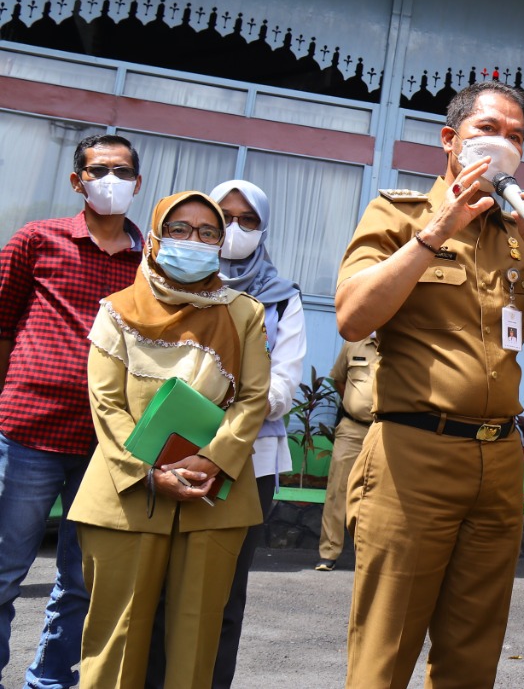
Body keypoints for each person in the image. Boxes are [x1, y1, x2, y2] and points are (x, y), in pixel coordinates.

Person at [335, 80, 524, 689]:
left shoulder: (518, 231)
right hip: (414, 454)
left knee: (473, 652)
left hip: (497, 459)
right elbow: (353, 316)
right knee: (385, 649)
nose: (504, 145)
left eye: (516, 136)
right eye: (487, 131)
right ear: (450, 140)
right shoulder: (401, 213)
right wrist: (436, 230)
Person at [68, 192, 269, 689]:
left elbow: (253, 399)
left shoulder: (244, 313)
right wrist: (148, 473)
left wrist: (210, 460)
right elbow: (106, 405)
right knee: (115, 639)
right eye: (179, 230)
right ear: (155, 237)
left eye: (207, 232)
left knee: (197, 643)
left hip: (212, 493)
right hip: (126, 492)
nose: (193, 241)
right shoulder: (115, 310)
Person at [142, 181, 306, 688]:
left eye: (248, 220)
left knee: (222, 594)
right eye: (223, 219)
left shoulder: (281, 300)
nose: (234, 230)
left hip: (246, 463)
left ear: (264, 229)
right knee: (153, 587)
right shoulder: (164, 285)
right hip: (164, 452)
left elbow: (283, 387)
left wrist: (217, 404)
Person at [0, 133, 144, 689]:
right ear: (76, 180)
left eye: (123, 171)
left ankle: (50, 682)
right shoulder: (37, 241)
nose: (112, 180)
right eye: (99, 170)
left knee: (81, 582)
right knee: (5, 572)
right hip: (27, 432)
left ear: (138, 181)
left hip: (106, 445)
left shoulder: (152, 260)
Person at [314, 334, 379, 572]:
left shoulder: (405, 341)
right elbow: (339, 380)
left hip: (388, 430)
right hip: (352, 429)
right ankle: (328, 553)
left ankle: (372, 558)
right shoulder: (354, 343)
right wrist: (355, 404)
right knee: (337, 490)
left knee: (384, 495)